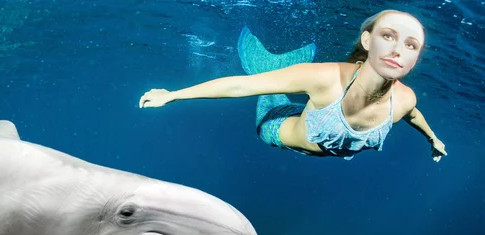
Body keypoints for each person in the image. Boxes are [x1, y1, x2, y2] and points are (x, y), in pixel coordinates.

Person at [139, 10, 447, 162]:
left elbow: (412, 114)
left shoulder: (404, 98)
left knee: (298, 95)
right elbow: (241, 87)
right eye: (388, 36)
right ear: (367, 40)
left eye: (411, 44)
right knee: (266, 85)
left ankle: (279, 71)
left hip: (311, 113)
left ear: (416, 58)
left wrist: (433, 139)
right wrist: (173, 95)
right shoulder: (324, 78)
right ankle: (266, 64)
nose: (397, 50)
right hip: (274, 124)